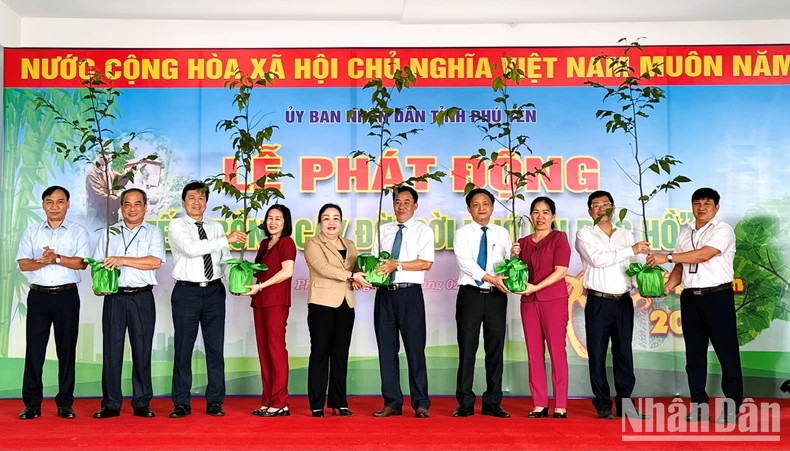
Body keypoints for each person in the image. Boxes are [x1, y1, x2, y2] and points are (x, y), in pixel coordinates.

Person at [647, 187, 742, 424]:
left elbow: (702, 255)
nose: (701, 208)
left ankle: (732, 408)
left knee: (727, 355)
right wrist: (667, 286)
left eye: (707, 204)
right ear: (692, 206)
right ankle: (699, 405)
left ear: (716, 207)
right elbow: (680, 267)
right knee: (694, 357)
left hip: (717, 298)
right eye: (697, 203)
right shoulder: (685, 231)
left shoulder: (723, 230)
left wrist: (666, 257)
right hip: (690, 298)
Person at [167, 181, 247, 418]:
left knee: (215, 347)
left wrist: (236, 280)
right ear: (183, 202)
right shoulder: (177, 225)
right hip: (186, 292)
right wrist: (226, 239)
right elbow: (192, 248)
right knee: (183, 348)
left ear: (206, 202)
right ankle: (181, 401)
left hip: (214, 292)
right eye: (191, 198)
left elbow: (224, 258)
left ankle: (215, 400)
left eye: (201, 198)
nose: (196, 202)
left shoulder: (216, 226)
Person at [574, 190, 650, 419]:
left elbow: (634, 266)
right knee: (597, 355)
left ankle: (626, 405)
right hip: (598, 301)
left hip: (624, 302)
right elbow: (598, 259)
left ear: (613, 208)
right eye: (595, 205)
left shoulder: (626, 235)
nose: (601, 208)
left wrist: (645, 284)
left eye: (606, 204)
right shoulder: (584, 234)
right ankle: (603, 405)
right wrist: (631, 250)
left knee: (624, 354)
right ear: (590, 211)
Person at [16, 186, 89, 420]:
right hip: (38, 297)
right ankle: (32, 404)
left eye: (60, 202)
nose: (55, 207)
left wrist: (55, 258)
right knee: (34, 351)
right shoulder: (32, 232)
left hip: (67, 297)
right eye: (50, 202)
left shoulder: (78, 232)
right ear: (43, 205)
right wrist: (44, 261)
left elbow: (81, 263)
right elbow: (24, 264)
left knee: (66, 350)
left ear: (68, 204)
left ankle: (65, 403)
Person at [91, 188, 165, 419]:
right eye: (127, 204)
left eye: (137, 204)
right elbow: (97, 264)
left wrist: (122, 260)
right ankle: (111, 403)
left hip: (142, 297)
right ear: (121, 207)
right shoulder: (108, 233)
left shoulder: (153, 233)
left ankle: (142, 402)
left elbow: (154, 262)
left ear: (145, 207)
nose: (132, 208)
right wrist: (99, 282)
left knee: (141, 351)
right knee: (111, 351)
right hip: (114, 298)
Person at [370, 186, 434, 418]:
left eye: (407, 201)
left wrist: (396, 265)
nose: (402, 206)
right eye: (397, 201)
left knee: (415, 349)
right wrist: (369, 275)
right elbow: (376, 262)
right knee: (386, 350)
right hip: (385, 294)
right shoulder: (383, 230)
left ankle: (421, 402)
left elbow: (426, 263)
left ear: (415, 205)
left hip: (410, 295)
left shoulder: (423, 231)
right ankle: (392, 401)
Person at [303, 203, 370, 417]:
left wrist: (360, 277)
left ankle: (339, 402)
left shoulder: (349, 243)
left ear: (341, 222)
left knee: (341, 354)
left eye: (336, 218)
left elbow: (355, 268)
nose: (331, 222)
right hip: (321, 303)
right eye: (326, 218)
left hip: (346, 303)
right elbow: (322, 268)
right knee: (320, 353)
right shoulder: (312, 243)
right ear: (320, 221)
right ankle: (316, 403)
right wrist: (351, 276)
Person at [452, 188, 511, 418]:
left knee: (495, 349)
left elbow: (507, 264)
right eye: (476, 204)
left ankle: (493, 402)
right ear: (469, 209)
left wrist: (514, 257)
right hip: (471, 295)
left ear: (492, 207)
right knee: (467, 348)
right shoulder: (462, 233)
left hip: (497, 296)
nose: (481, 208)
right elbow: (466, 263)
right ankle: (465, 401)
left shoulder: (503, 233)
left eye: (485, 203)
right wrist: (490, 277)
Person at [511, 197, 570, 419]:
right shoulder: (523, 242)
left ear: (553, 216)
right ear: (531, 216)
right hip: (529, 302)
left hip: (553, 301)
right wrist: (513, 256)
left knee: (556, 352)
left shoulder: (559, 238)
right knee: (534, 354)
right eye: (536, 212)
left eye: (546, 212)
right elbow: (516, 271)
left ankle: (561, 404)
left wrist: (537, 286)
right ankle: (539, 403)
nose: (540, 217)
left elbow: (561, 271)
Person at [246, 204, 296, 417]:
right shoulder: (265, 243)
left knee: (276, 350)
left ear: (285, 223)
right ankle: (267, 400)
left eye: (278, 218)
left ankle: (280, 401)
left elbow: (287, 272)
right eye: (270, 218)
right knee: (264, 351)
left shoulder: (286, 242)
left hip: (276, 301)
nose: (273, 222)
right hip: (260, 301)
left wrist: (262, 287)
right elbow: (259, 271)